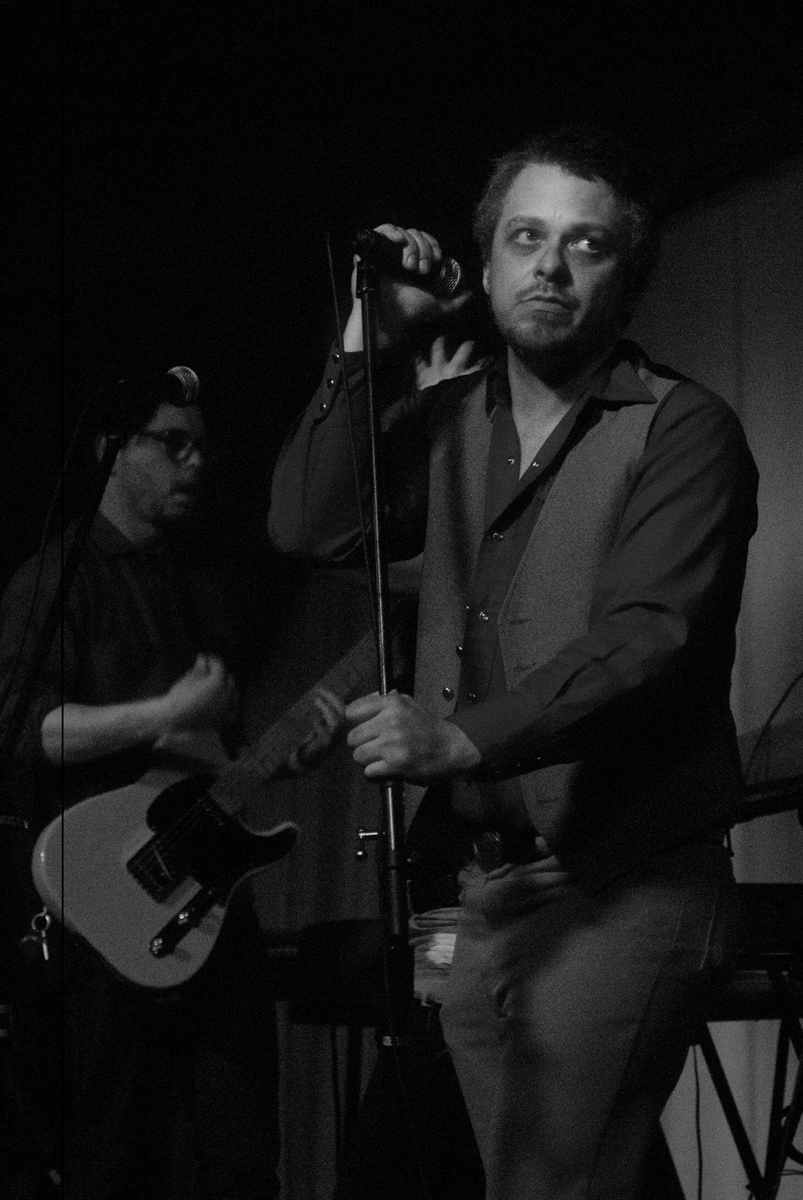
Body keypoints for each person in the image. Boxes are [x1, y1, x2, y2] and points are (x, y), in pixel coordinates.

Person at [269, 125, 760, 1199]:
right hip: (487, 894)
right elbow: (307, 524)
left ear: (625, 278)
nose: (549, 266)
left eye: (585, 244)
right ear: (485, 266)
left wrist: (459, 739)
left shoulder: (682, 429)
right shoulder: (449, 423)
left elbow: (649, 639)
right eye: (525, 238)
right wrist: (365, 343)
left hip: (624, 878)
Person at [0, 366, 337, 1199]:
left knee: (241, 1152)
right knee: (115, 1152)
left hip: (208, 897)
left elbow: (213, 752)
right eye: (171, 444)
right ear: (111, 450)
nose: (195, 463)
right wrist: (162, 712)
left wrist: (282, 755)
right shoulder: (53, 580)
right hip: (98, 905)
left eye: (200, 449)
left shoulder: (199, 588)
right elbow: (30, 732)